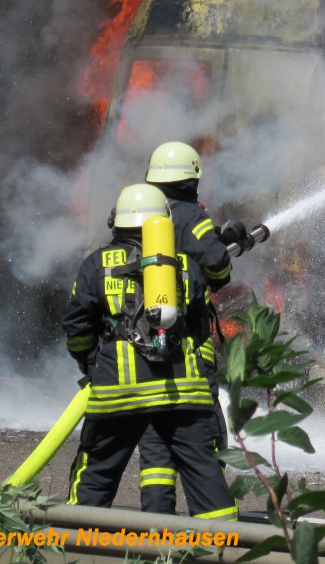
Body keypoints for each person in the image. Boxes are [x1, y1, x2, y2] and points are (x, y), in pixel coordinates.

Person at [62, 183, 237, 521]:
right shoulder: (185, 265)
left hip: (118, 392)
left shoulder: (96, 265)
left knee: (95, 475)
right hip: (182, 392)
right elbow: (201, 330)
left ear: (117, 222)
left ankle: (76, 541)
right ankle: (225, 543)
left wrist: (90, 363)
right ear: (164, 223)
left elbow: (77, 326)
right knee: (206, 477)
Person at [137, 141, 246, 514]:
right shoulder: (190, 215)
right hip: (189, 350)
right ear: (192, 180)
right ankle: (215, 531)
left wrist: (218, 235)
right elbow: (217, 266)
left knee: (155, 445)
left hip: (142, 348)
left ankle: (155, 530)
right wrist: (220, 244)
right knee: (205, 436)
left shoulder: (140, 216)